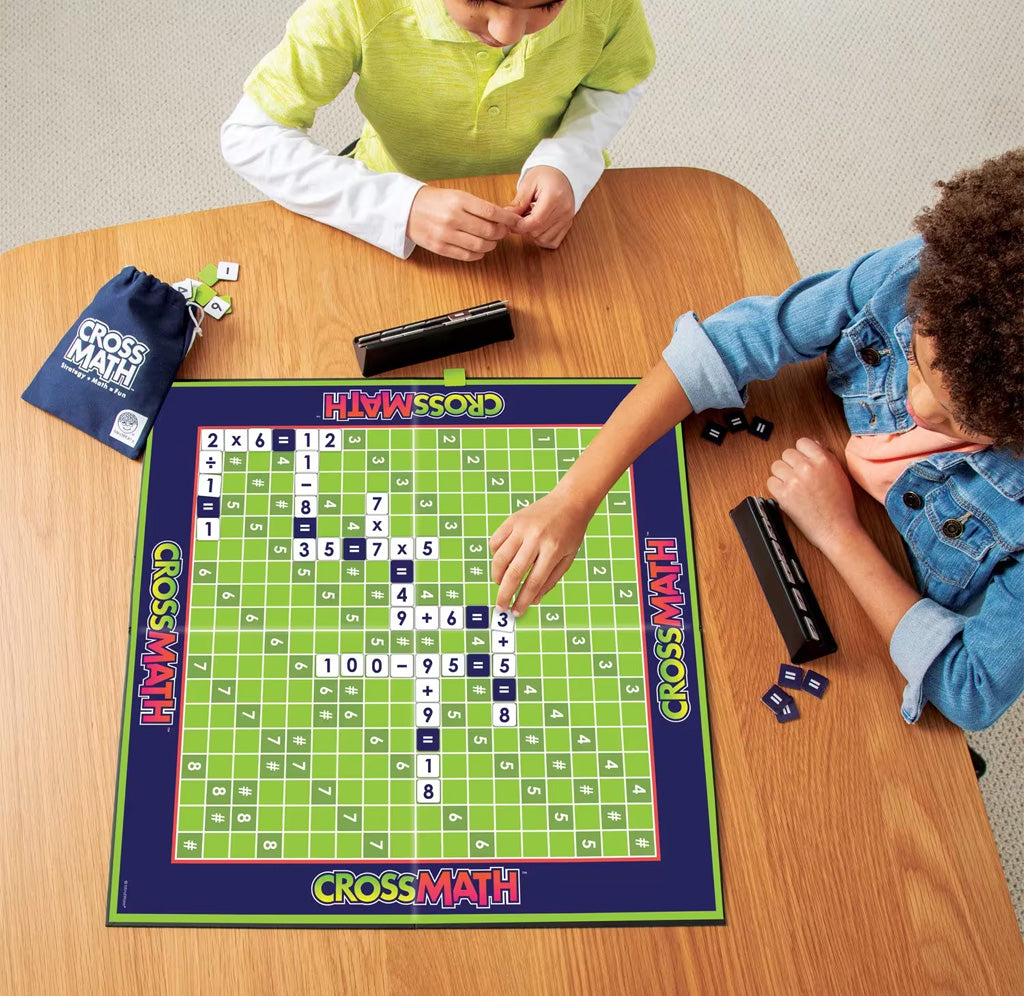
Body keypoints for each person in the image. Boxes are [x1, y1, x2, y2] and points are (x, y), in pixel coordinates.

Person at [489, 149, 1024, 731]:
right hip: (809, 458)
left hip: (892, 593)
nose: (918, 408)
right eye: (916, 362)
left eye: (965, 419)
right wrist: (573, 497)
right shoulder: (932, 277)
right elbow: (732, 341)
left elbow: (971, 690)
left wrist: (836, 530)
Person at [221, 0, 655, 260]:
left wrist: (568, 158)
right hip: (390, 211)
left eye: (547, 5)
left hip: (553, 211)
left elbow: (617, 81)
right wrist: (399, 208)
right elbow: (250, 135)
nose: (507, 32)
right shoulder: (352, 8)